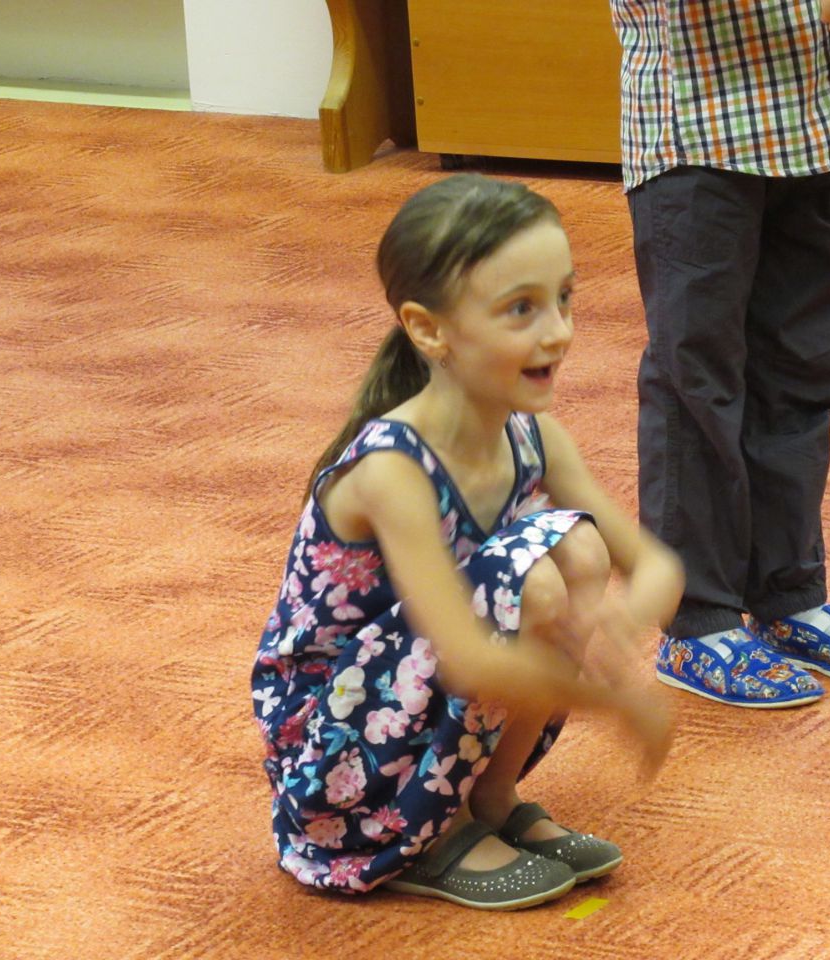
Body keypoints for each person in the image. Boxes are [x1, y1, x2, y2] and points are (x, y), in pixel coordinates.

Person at [251, 174, 682, 911]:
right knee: (530, 581)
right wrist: (618, 703)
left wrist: (623, 616)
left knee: (576, 552)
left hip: (407, 708)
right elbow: (470, 655)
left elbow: (656, 565)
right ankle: (429, 831)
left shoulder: (534, 435)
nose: (558, 331)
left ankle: (489, 796)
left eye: (564, 297)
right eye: (521, 308)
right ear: (429, 330)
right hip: (330, 757)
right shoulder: (392, 468)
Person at [610, 0, 830, 708]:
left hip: (810, 121)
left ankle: (789, 595)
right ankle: (698, 621)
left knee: (803, 364)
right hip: (698, 127)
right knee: (697, 381)